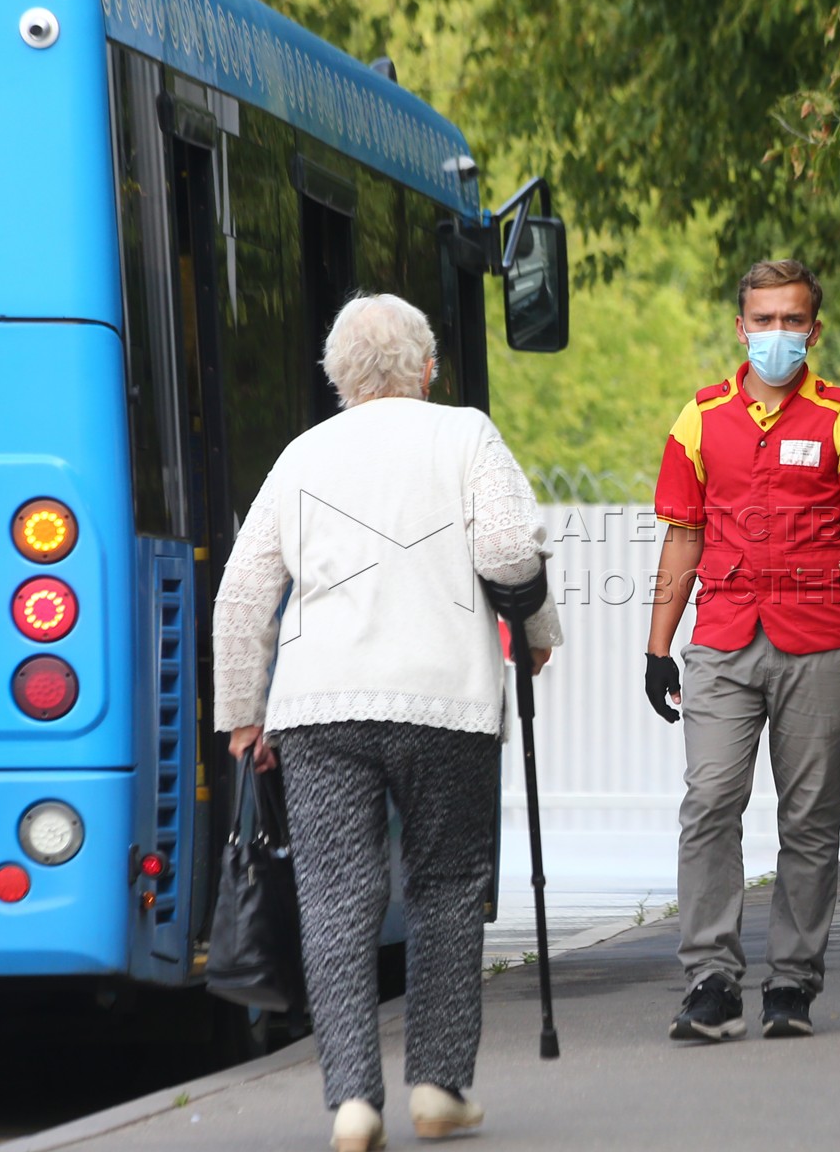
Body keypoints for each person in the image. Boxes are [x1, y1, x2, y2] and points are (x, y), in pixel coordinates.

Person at [212, 295, 562, 1152]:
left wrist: (241, 714)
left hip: (322, 710)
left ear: (336, 377)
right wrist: (540, 636)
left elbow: (243, 592)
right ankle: (438, 1088)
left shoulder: (303, 454)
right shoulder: (465, 434)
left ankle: (353, 1103)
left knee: (335, 895)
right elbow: (511, 554)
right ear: (428, 368)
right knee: (445, 885)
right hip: (447, 703)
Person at [645, 258, 840, 1042]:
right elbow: (683, 537)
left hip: (820, 641)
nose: (778, 334)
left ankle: (791, 983)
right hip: (722, 640)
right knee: (710, 803)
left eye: (793, 320)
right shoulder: (699, 418)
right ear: (741, 326)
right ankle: (711, 978)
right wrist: (658, 647)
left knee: (811, 822)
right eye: (765, 319)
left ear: (814, 330)